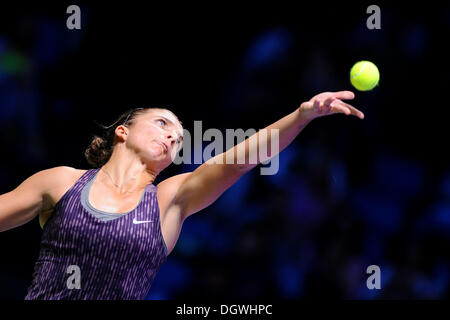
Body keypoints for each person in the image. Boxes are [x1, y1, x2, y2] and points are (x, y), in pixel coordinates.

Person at [0, 90, 364, 299]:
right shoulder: (62, 181)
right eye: (162, 123)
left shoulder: (168, 199)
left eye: (179, 135)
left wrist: (301, 116)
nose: (173, 136)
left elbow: (239, 162)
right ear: (123, 132)